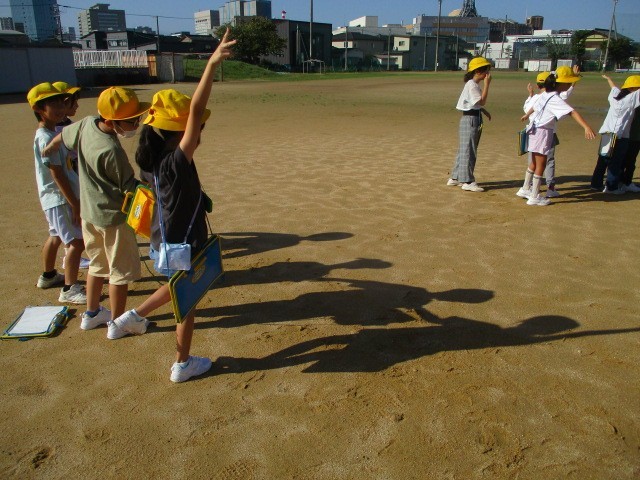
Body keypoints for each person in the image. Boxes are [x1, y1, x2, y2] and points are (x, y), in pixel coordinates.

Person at [111, 29, 236, 382]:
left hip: (163, 241)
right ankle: (178, 360)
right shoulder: (175, 163)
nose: (199, 133)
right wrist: (211, 64)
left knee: (180, 291)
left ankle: (135, 322)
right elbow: (195, 110)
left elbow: (192, 118)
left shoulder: (151, 159)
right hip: (181, 244)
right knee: (186, 299)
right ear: (179, 134)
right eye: (195, 130)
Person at [43, 86, 150, 335]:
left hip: (90, 215)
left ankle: (91, 314)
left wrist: (50, 148)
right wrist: (153, 188)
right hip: (113, 219)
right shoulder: (111, 151)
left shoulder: (87, 123)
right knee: (119, 272)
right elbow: (129, 187)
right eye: (131, 121)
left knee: (97, 264)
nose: (136, 124)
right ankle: (117, 322)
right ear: (112, 121)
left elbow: (63, 136)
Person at [28, 82, 86, 304]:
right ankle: (69, 289)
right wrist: (75, 204)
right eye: (53, 104)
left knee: (55, 236)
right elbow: (57, 174)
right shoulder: (45, 137)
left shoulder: (52, 133)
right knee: (76, 243)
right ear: (38, 109)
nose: (61, 108)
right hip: (60, 198)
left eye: (62, 103)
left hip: (57, 198)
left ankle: (48, 275)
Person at [520, 66, 595, 206]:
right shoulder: (555, 98)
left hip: (534, 129)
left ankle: (525, 188)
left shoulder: (546, 94)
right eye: (569, 82)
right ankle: (534, 196)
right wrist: (586, 127)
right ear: (562, 83)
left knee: (534, 162)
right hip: (542, 131)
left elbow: (535, 107)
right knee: (541, 164)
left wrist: (526, 115)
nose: (569, 85)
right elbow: (572, 112)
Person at [53, 81, 90, 269]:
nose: (76, 105)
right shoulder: (55, 131)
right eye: (72, 102)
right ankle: (71, 259)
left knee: (58, 232)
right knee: (73, 230)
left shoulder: (67, 125)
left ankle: (51, 273)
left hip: (73, 177)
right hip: (67, 184)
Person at [447, 56, 492, 192]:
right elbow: (481, 101)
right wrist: (487, 85)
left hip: (470, 118)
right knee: (469, 150)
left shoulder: (471, 84)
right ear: (478, 71)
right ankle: (467, 181)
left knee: (464, 149)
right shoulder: (472, 85)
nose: (488, 73)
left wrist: (483, 111)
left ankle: (455, 177)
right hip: (471, 120)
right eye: (486, 70)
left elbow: (474, 104)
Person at [590, 75, 640, 194]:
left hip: (607, 132)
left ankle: (596, 184)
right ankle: (611, 187)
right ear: (633, 88)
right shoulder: (632, 98)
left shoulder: (615, 96)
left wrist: (609, 79)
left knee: (603, 160)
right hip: (619, 135)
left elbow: (613, 87)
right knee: (616, 161)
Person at [621, 105, 640, 192]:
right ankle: (626, 183)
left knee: (626, 160)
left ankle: (622, 182)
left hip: (629, 135)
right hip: (633, 136)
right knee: (629, 161)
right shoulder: (635, 101)